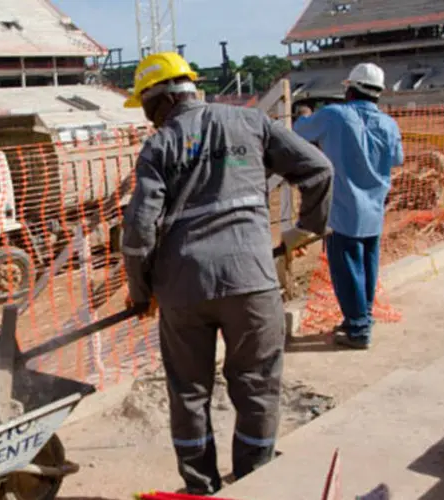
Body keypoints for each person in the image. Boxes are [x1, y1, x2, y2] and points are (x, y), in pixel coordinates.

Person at [120, 51, 334, 495]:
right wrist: (304, 231)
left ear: (154, 102)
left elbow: (139, 232)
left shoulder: (159, 146)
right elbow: (319, 169)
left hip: (182, 289)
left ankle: (200, 488)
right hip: (252, 279)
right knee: (257, 385)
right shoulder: (251, 124)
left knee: (188, 392)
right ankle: (256, 482)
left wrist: (141, 293)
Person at [293, 62, 404, 350]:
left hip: (343, 210)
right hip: (374, 209)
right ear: (378, 93)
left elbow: (301, 130)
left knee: (346, 271)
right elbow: (397, 159)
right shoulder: (389, 124)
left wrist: (304, 112)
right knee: (367, 267)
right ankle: (361, 318)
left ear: (350, 89)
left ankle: (357, 329)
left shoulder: (334, 116)